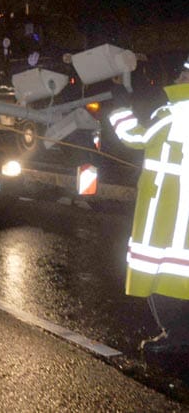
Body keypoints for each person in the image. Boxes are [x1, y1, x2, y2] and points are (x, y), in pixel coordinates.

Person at [107, 59, 189, 354]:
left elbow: (135, 137)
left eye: (183, 73)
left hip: (164, 211)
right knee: (181, 274)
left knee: (156, 272)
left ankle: (175, 335)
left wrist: (119, 105)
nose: (178, 76)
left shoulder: (173, 114)